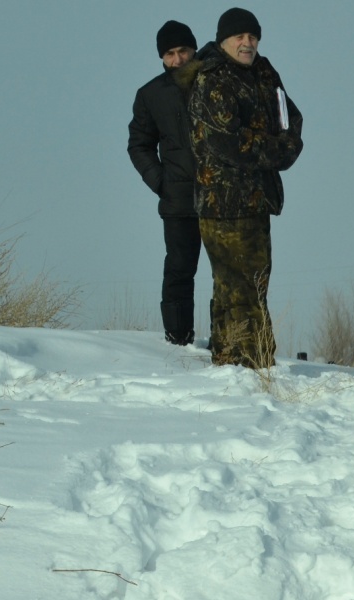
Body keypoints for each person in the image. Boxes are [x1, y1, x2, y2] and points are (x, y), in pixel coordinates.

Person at [183, 8, 303, 368]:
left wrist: (286, 146)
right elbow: (230, 142)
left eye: (253, 37)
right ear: (224, 40)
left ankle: (236, 358)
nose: (247, 43)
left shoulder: (265, 74)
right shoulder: (213, 79)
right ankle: (248, 360)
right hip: (223, 202)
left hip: (257, 198)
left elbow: (290, 120)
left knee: (250, 282)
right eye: (240, 37)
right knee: (239, 285)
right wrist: (277, 149)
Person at [127, 20, 202, 346]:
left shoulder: (217, 84)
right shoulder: (150, 95)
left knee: (229, 275)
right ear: (162, 57)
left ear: (193, 50)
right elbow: (138, 144)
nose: (177, 59)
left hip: (224, 196)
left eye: (182, 51)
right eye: (170, 53)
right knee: (179, 271)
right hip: (178, 199)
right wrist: (161, 182)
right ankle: (178, 340)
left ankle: (227, 340)